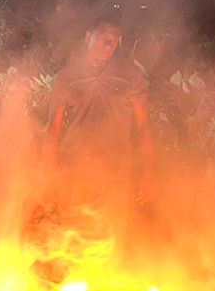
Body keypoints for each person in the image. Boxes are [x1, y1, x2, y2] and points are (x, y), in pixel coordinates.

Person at [44, 12, 154, 237]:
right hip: (75, 167)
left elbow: (144, 127)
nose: (109, 45)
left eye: (114, 41)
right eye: (104, 38)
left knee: (111, 235)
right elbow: (53, 130)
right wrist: (48, 172)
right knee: (74, 234)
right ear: (88, 37)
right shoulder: (67, 78)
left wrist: (148, 171)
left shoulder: (130, 76)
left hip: (116, 170)